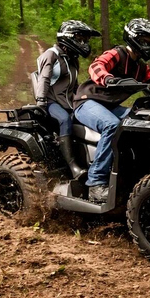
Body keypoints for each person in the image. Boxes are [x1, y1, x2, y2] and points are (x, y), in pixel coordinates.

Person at [73, 18, 150, 202]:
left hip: (110, 106)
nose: (149, 46)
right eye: (145, 41)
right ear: (134, 38)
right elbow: (96, 66)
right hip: (87, 102)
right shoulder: (117, 53)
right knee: (112, 126)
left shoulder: (140, 67)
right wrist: (107, 78)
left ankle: (133, 174)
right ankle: (95, 183)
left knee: (142, 120)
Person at [34, 20, 100, 179]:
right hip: (50, 101)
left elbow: (74, 84)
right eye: (80, 39)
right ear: (68, 37)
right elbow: (44, 78)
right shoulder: (51, 54)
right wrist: (41, 102)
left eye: (85, 40)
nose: (84, 43)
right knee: (64, 120)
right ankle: (73, 166)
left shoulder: (72, 59)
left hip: (68, 102)